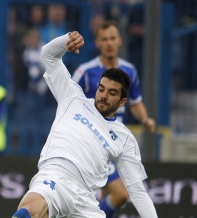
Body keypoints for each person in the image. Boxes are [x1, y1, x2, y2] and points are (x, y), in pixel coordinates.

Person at [12, 31, 157, 218]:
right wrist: (67, 40)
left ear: (122, 102)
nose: (104, 95)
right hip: (56, 175)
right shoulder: (72, 97)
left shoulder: (124, 137)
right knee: (31, 210)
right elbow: (48, 53)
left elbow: (137, 192)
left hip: (86, 199)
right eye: (101, 89)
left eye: (112, 93)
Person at [72, 21, 155, 217]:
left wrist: (145, 119)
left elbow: (135, 102)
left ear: (120, 41)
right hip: (94, 144)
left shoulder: (130, 71)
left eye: (112, 38)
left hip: (116, 144)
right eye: (104, 39)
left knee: (109, 196)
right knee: (121, 194)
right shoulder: (85, 72)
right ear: (97, 43)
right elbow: (68, 101)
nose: (109, 43)